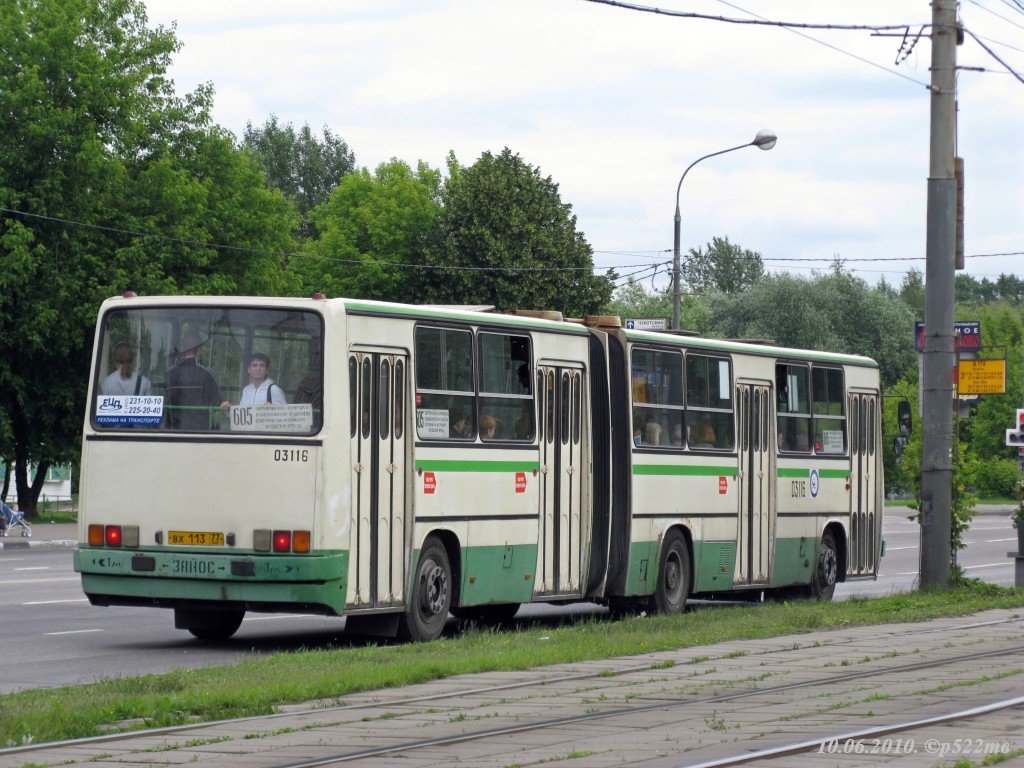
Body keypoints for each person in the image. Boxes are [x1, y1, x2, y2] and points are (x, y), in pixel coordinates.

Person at [165, 330, 222, 430]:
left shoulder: (169, 374)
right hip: (200, 432)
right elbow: (218, 405)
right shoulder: (207, 374)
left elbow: (165, 403)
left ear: (182, 348)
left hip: (173, 430)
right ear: (200, 349)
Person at [222, 352, 287, 409]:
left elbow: (285, 417)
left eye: (262, 365)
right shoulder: (246, 390)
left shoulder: (274, 390)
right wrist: (229, 409)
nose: (258, 369)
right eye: (254, 365)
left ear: (267, 370)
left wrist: (272, 411)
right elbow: (242, 417)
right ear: (249, 369)